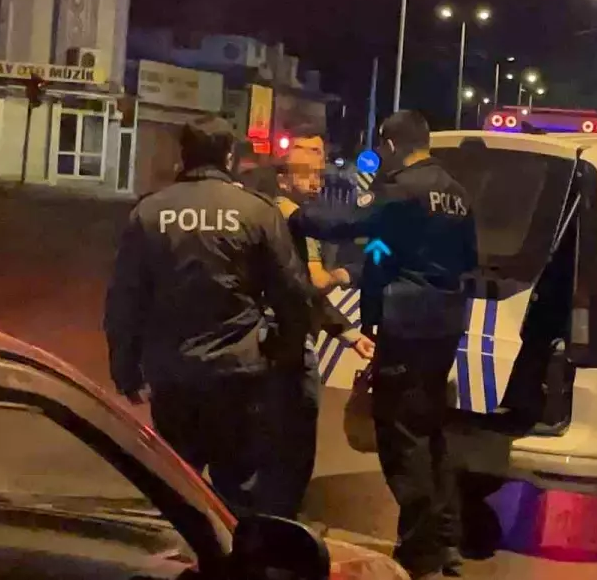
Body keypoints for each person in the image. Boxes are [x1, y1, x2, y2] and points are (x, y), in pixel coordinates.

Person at [103, 115, 373, 512]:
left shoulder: (149, 212)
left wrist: (126, 370)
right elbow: (293, 294)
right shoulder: (255, 211)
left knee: (177, 486)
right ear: (229, 156)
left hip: (173, 375)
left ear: (184, 155)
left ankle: (183, 546)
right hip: (239, 376)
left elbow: (125, 299)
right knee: (239, 490)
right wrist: (282, 354)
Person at [287, 111, 477, 579]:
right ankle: (447, 540)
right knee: (430, 431)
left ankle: (420, 551)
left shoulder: (402, 190)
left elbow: (344, 222)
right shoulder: (458, 194)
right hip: (445, 323)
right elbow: (469, 258)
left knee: (402, 440)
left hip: (406, 325)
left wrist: (295, 213)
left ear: (390, 146)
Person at [258, 125, 359, 519]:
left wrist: (345, 331)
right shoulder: (295, 220)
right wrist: (348, 274)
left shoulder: (264, 213)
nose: (316, 182)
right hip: (286, 337)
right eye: (307, 175)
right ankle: (281, 517)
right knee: (296, 431)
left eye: (319, 174)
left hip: (263, 336)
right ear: (283, 179)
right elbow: (313, 283)